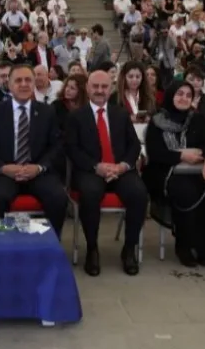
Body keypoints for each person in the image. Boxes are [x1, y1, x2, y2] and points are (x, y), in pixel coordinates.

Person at [65, 70, 149, 277]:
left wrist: (123, 166)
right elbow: (72, 149)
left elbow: (133, 146)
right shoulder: (76, 116)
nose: (100, 91)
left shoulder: (120, 114)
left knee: (139, 194)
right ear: (88, 88)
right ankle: (92, 249)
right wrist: (97, 167)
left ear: (110, 88)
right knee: (90, 194)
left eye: (104, 87)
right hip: (91, 170)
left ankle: (129, 249)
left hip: (120, 169)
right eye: (96, 86)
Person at [143, 81, 205, 267]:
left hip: (196, 171)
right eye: (179, 94)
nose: (183, 98)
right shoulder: (157, 121)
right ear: (170, 95)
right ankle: (184, 245)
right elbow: (155, 153)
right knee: (186, 192)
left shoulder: (197, 119)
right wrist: (181, 155)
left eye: (188, 95)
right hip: (166, 172)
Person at [0, 64, 68, 236]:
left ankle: (51, 247)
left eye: (28, 80)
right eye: (18, 80)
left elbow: (56, 145)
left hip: (38, 172)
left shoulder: (47, 111)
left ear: (34, 83)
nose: (24, 84)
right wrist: (2, 167)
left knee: (58, 198)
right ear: (9, 85)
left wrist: (39, 167)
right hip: (6, 173)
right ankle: (0, 249)